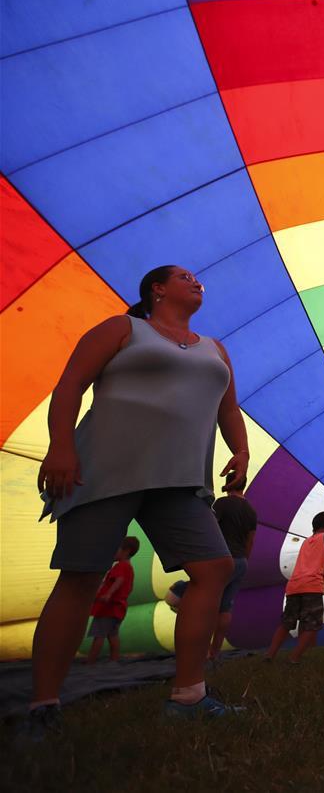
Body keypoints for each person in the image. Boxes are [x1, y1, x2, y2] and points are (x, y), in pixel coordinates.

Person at [25, 265, 250, 737]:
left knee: (215, 568)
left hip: (179, 480)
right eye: (185, 277)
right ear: (158, 289)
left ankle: (190, 696)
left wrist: (242, 451)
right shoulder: (123, 329)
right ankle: (43, 706)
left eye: (200, 280)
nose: (198, 283)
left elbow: (227, 409)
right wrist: (61, 447)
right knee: (82, 578)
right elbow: (69, 385)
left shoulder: (215, 349)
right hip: (106, 470)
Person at [265, 512, 324, 663]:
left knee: (286, 623)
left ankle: (269, 655)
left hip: (294, 586)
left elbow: (323, 565)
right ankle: (294, 658)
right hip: (311, 586)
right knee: (312, 625)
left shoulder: (307, 542)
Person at [207, 491, 258, 661]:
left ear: (228, 485)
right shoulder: (251, 510)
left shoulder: (222, 503)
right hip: (241, 560)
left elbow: (210, 527)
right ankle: (215, 651)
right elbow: (251, 541)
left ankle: (201, 647)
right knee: (225, 607)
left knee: (204, 602)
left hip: (222, 558)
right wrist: (245, 560)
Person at [86, 536, 140, 664]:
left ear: (126, 551)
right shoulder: (128, 567)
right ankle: (114, 660)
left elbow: (119, 580)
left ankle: (91, 661)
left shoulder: (121, 566)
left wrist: (108, 594)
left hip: (109, 608)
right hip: (118, 608)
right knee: (112, 634)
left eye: (116, 549)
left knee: (99, 635)